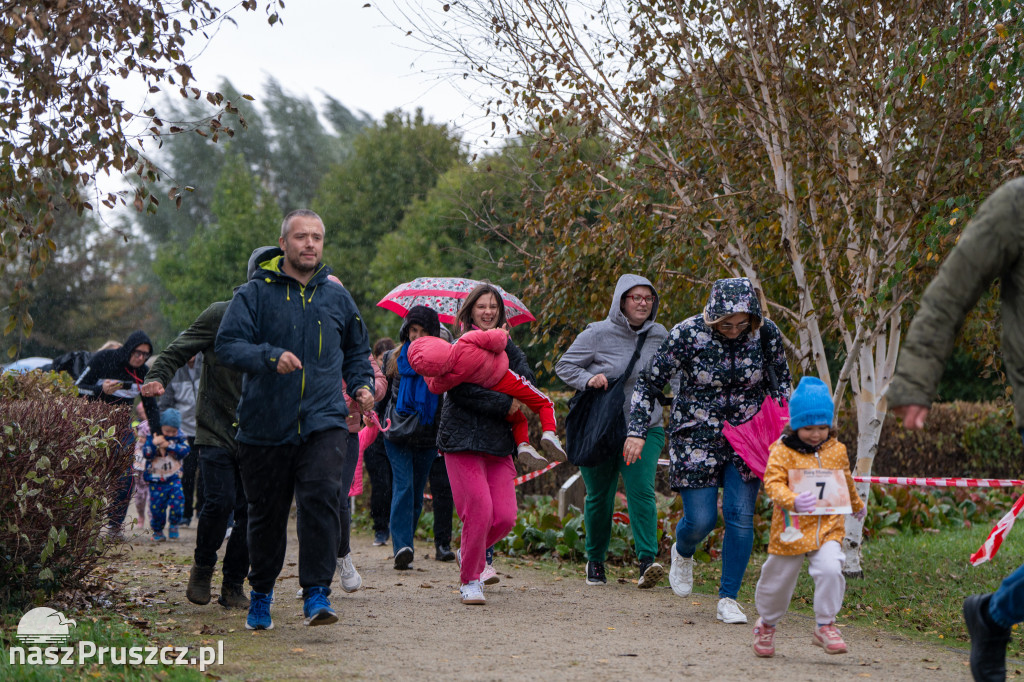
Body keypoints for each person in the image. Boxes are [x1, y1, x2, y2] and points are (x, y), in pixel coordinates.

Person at [887, 178, 1024, 682]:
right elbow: (949, 294)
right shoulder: (1017, 204)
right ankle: (991, 616)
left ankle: (991, 615)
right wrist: (916, 382)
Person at [215, 209, 375, 630]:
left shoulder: (336, 296)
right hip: (264, 427)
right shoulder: (253, 294)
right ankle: (262, 595)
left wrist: (361, 385)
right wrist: (269, 357)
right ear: (283, 243)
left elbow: (357, 351)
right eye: (301, 236)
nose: (310, 244)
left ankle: (317, 594)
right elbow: (228, 345)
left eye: (317, 237)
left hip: (324, 422)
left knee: (322, 498)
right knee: (266, 515)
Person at [626, 277, 792, 624]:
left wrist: (791, 432)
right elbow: (648, 382)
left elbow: (782, 382)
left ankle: (728, 597)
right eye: (725, 324)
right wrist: (638, 431)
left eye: (741, 324)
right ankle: (682, 551)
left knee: (739, 515)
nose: (733, 330)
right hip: (697, 432)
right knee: (701, 519)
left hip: (749, 434)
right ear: (712, 317)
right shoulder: (686, 334)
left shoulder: (766, 333)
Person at [142, 254, 262, 610]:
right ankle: (203, 566)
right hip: (215, 427)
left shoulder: (280, 321)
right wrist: (155, 377)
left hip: (259, 432)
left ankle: (233, 584)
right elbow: (175, 351)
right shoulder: (220, 314)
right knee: (219, 502)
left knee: (251, 512)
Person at [556, 274, 669, 588]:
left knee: (642, 491)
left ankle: (648, 561)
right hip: (601, 428)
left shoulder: (660, 335)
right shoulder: (597, 333)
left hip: (645, 426)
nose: (643, 303)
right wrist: (590, 378)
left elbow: (675, 372)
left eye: (648, 298)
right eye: (636, 297)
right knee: (599, 497)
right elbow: (565, 366)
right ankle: (595, 560)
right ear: (622, 301)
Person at [752, 376, 866, 657]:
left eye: (822, 427)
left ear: (830, 425)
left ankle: (825, 624)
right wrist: (792, 499)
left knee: (831, 568)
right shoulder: (782, 450)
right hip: (791, 528)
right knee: (777, 579)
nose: (816, 434)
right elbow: (772, 482)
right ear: (795, 424)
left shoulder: (837, 450)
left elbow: (844, 479)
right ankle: (766, 623)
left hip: (828, 527)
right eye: (808, 428)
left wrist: (855, 502)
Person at [437, 284, 532, 604]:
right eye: (482, 307)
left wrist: (508, 349)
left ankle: (468, 551)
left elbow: (526, 385)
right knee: (479, 508)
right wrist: (503, 404)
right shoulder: (458, 345)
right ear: (470, 311)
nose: (488, 312)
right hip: (461, 439)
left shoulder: (510, 349)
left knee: (504, 517)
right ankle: (471, 580)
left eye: (494, 306)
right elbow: (460, 391)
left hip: (497, 443)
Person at [409, 327, 566, 467]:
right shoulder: (465, 341)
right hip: (505, 377)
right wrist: (502, 333)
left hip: (490, 390)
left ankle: (523, 445)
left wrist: (427, 374)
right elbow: (497, 341)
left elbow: (434, 387)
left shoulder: (447, 377)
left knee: (518, 419)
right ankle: (550, 433)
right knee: (544, 403)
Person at [378, 305, 445, 571]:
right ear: (406, 331)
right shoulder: (393, 358)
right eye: (413, 330)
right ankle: (402, 546)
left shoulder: (441, 362)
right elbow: (383, 399)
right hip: (396, 434)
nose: (417, 336)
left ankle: (407, 546)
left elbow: (443, 403)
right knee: (403, 487)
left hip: (427, 437)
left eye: (423, 332)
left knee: (417, 494)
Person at [75, 330, 161, 534]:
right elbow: (77, 388)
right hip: (94, 424)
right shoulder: (104, 359)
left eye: (145, 355)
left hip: (122, 426)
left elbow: (151, 406)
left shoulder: (143, 372)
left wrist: (157, 434)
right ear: (129, 348)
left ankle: (115, 525)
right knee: (92, 475)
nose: (141, 358)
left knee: (126, 476)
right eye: (137, 353)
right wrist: (100, 391)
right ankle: (83, 524)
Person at [158, 353, 202, 526]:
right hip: (183, 431)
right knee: (187, 474)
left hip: (205, 429)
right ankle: (186, 513)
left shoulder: (206, 365)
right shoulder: (174, 371)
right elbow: (165, 404)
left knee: (206, 473)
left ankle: (202, 509)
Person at [364, 337, 396, 546]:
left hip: (395, 436)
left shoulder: (399, 378)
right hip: (373, 439)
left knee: (395, 485)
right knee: (380, 484)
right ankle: (380, 528)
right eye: (380, 358)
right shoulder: (368, 379)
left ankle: (395, 528)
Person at [143, 408, 189, 542]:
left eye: (173, 431)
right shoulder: (152, 437)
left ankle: (174, 524)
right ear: (161, 426)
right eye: (167, 431)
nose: (170, 433)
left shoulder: (180, 438)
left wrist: (168, 445)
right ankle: (158, 530)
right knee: (157, 508)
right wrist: (154, 444)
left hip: (174, 478)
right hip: (156, 480)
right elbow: (146, 454)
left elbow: (185, 450)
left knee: (178, 502)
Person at [131, 405, 151, 529]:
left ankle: (154, 523)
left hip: (150, 478)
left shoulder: (153, 448)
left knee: (151, 501)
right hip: (138, 479)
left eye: (145, 437)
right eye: (141, 436)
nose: (142, 439)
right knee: (139, 501)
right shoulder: (136, 445)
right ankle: (140, 515)